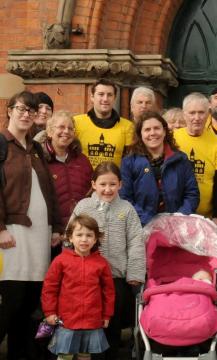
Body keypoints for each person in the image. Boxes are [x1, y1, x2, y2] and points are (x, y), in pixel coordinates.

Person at [0, 91, 62, 359]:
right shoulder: (2, 144)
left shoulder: (36, 149)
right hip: (11, 235)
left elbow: (49, 192)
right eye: (21, 109)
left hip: (40, 238)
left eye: (31, 111)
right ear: (9, 111)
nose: (27, 114)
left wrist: (56, 227)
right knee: (9, 304)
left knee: (31, 305)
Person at [70, 161, 145, 359]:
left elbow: (136, 241)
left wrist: (135, 273)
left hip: (116, 278)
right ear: (93, 184)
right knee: (91, 322)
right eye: (102, 184)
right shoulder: (83, 206)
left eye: (112, 184)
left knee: (112, 322)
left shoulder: (126, 209)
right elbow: (70, 239)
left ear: (120, 184)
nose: (107, 189)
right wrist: (73, 269)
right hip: (87, 278)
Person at [41, 214, 115, 360]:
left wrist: (106, 315)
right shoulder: (60, 261)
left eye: (89, 235)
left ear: (95, 239)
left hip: (92, 320)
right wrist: (49, 312)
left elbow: (108, 291)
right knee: (65, 354)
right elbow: (49, 288)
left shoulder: (101, 263)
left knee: (85, 354)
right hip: (67, 320)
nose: (84, 239)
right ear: (70, 237)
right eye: (79, 234)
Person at [120, 111, 199, 226]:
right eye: (147, 130)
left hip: (176, 228)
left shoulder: (181, 160)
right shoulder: (129, 162)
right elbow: (125, 198)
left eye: (157, 128)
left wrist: (178, 219)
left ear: (164, 131)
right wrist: (150, 222)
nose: (152, 133)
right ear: (140, 134)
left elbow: (192, 194)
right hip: (140, 228)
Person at [174, 92, 217, 226]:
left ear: (208, 113)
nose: (197, 118)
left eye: (201, 112)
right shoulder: (172, 138)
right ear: (184, 114)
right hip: (176, 214)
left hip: (206, 218)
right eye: (192, 113)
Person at [34, 110, 93, 228]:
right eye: (61, 127)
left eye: (70, 128)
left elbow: (92, 191)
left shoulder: (82, 160)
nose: (66, 131)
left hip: (80, 230)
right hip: (49, 229)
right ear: (50, 132)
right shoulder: (39, 161)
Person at [74, 78, 134, 169]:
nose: (105, 99)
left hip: (113, 181)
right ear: (92, 97)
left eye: (109, 95)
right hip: (83, 180)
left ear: (114, 98)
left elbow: (130, 162)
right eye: (101, 94)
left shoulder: (127, 126)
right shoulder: (76, 123)